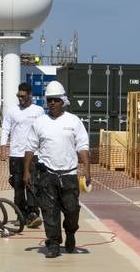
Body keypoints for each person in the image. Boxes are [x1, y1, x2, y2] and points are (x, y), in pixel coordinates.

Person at [23, 80, 90, 259]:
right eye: (49, 100)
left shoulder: (74, 121)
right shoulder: (40, 122)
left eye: (56, 100)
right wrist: (26, 171)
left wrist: (87, 169)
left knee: (71, 211)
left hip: (68, 175)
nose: (52, 103)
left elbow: (82, 146)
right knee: (49, 211)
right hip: (47, 175)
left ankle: (70, 233)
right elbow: (30, 148)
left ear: (63, 101)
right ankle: (53, 243)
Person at [0, 82, 44, 228]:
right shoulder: (11, 111)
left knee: (32, 185)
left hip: (33, 155)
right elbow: (5, 129)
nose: (20, 99)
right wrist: (3, 148)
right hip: (16, 155)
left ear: (30, 95)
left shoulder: (38, 111)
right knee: (18, 187)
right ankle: (21, 214)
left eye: (23, 96)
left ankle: (33, 214)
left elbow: (43, 132)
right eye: (18, 96)